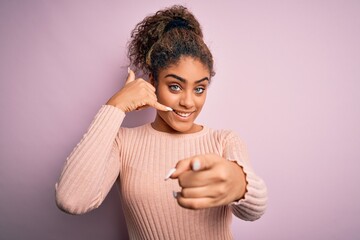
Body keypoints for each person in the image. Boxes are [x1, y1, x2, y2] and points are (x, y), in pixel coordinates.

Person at [55, 5, 267, 240]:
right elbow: (71, 199)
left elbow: (253, 211)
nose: (188, 102)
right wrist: (115, 106)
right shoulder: (123, 142)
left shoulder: (223, 140)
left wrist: (239, 184)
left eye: (199, 88)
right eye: (175, 86)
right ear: (153, 81)